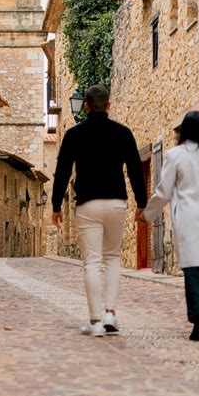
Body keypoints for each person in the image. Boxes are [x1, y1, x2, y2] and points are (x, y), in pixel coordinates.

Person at [52, 84, 147, 337]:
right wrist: (142, 203)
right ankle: (110, 314)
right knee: (112, 258)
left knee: (91, 262)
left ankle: (94, 321)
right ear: (109, 105)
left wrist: (55, 206)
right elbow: (136, 169)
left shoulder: (74, 135)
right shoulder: (123, 133)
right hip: (116, 201)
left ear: (86, 106)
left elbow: (62, 170)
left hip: (88, 204)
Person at [138, 111, 199, 341]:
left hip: (189, 220)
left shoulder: (175, 156)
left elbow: (164, 191)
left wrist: (148, 214)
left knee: (193, 267)